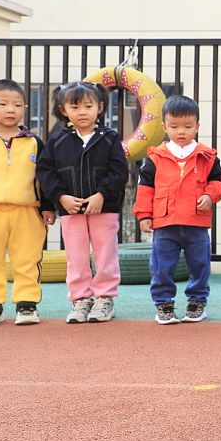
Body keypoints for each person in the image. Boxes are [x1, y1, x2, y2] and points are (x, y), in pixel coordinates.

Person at [36, 81, 129, 324]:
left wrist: (101, 195)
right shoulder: (56, 140)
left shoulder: (110, 138)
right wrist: (60, 197)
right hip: (70, 211)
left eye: (89, 106)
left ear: (100, 107)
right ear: (64, 109)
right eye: (75, 107)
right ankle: (80, 298)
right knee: (75, 255)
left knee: (105, 253)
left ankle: (104, 298)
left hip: (104, 209)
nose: (82, 112)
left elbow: (119, 172)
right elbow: (45, 172)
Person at [133, 95, 221, 324]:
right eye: (174, 126)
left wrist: (209, 195)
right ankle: (164, 304)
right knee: (162, 266)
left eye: (188, 126)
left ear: (197, 126)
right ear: (164, 126)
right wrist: (144, 215)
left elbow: (219, 182)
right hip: (165, 223)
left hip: (196, 222)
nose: (181, 132)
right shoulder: (155, 157)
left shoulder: (207, 155)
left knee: (200, 264)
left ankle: (196, 303)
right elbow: (145, 188)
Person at [0, 80, 56, 326]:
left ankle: (27, 304)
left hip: (27, 211)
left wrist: (48, 206)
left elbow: (45, 177)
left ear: (25, 109)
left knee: (28, 259)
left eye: (17, 105)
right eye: (3, 104)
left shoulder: (35, 143)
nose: (10, 110)